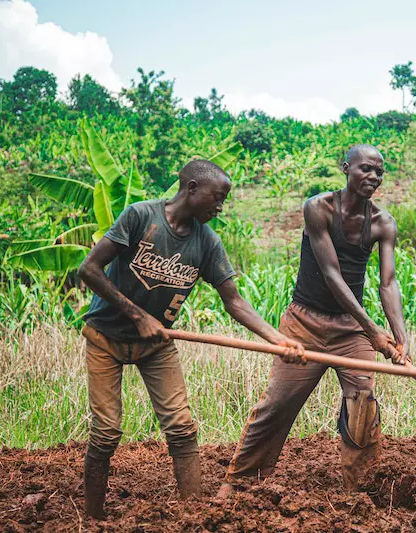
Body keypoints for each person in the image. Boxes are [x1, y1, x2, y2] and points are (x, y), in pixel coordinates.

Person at [77, 159, 304, 519]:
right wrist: (137, 315)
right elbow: (88, 269)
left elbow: (234, 300)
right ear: (192, 188)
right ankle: (92, 519)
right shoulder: (139, 217)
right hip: (106, 337)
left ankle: (196, 517)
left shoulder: (207, 242)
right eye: (217, 198)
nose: (220, 206)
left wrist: (278, 339)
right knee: (106, 432)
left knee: (181, 427)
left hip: (156, 345)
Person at [217, 144, 408, 498]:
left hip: (350, 330)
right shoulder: (318, 208)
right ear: (345, 167)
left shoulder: (383, 223)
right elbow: (332, 275)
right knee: (278, 402)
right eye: (366, 169)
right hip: (304, 323)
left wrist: (400, 337)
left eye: (379, 172)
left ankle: (359, 489)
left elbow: (388, 282)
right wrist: (374, 331)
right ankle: (239, 480)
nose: (373, 177)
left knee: (362, 401)